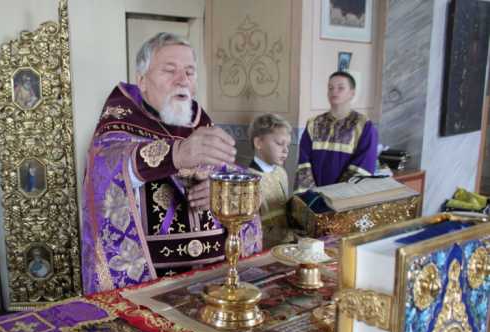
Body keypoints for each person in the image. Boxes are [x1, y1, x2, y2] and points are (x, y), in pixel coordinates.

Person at [81, 32, 262, 294]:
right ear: (142, 81)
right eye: (170, 70)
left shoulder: (201, 124)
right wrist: (176, 154)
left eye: (190, 72)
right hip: (148, 285)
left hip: (216, 279)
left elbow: (231, 176)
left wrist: (220, 192)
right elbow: (102, 173)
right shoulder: (119, 124)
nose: (182, 80)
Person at [295, 71, 378, 192]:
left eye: (341, 88)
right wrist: (312, 196)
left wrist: (338, 194)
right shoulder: (314, 123)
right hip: (315, 195)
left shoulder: (363, 125)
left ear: (352, 93)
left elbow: (363, 165)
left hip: (346, 197)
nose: (334, 91)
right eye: (330, 88)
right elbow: (304, 161)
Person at [247, 113, 294, 249]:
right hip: (263, 248)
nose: (286, 150)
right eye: (279, 143)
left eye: (288, 145)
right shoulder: (248, 180)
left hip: (286, 244)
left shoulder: (281, 173)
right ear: (258, 143)